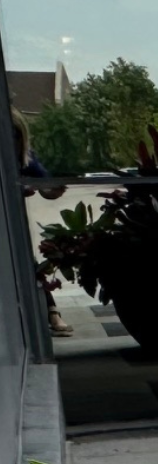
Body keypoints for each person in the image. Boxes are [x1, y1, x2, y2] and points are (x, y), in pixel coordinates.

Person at [11, 107, 71, 336]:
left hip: (13, 225)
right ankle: (50, 312)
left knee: (29, 263)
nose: (12, 140)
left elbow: (46, 184)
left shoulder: (26, 157)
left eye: (16, 134)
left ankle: (52, 311)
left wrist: (51, 190)